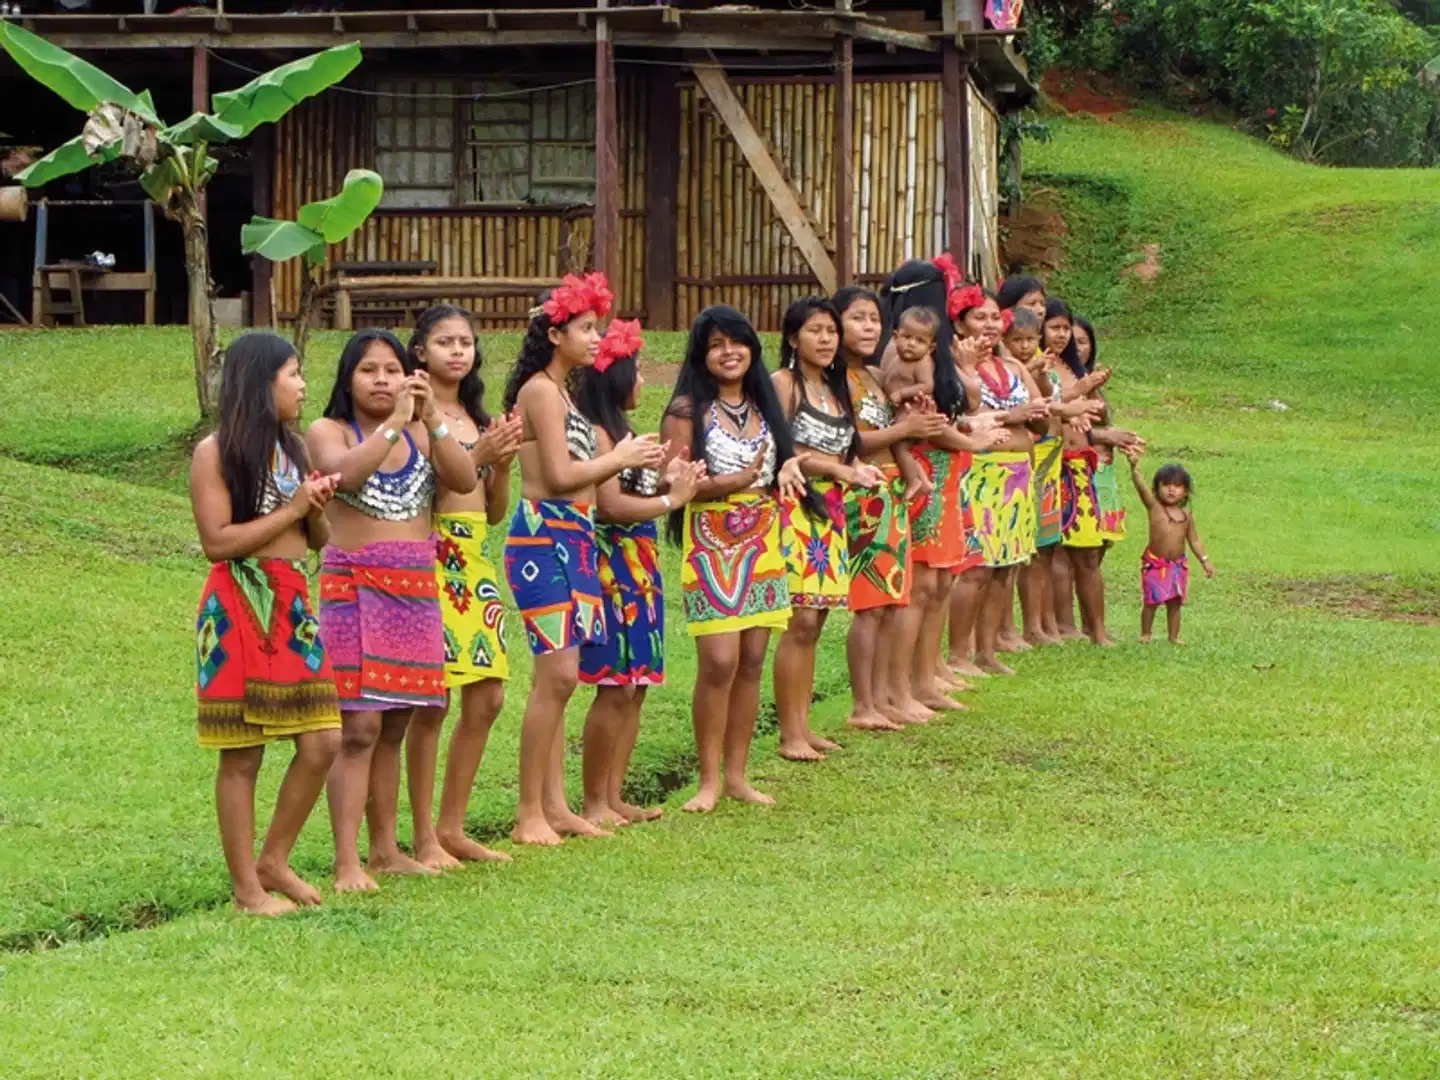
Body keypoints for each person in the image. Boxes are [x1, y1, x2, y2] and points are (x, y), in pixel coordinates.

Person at [308, 328, 479, 891]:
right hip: (352, 589)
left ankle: (386, 850)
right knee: (359, 726)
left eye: (391, 370)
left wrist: (430, 420)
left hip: (414, 591)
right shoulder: (327, 431)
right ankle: (346, 861)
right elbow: (346, 476)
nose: (382, 380)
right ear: (347, 378)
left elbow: (464, 478)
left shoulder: (421, 432)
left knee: (397, 723)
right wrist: (392, 422)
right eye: (368, 370)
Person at [501, 273, 666, 846]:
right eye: (586, 328)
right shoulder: (540, 392)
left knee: (564, 682)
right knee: (558, 675)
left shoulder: (564, 391)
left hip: (574, 537)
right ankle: (528, 812)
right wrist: (618, 457)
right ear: (554, 333)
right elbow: (559, 476)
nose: (596, 339)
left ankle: (556, 806)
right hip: (543, 535)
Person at [190, 331, 343, 915]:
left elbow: (313, 539)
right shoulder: (216, 452)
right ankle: (246, 889)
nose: (303, 385)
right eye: (293, 373)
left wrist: (316, 510)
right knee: (243, 751)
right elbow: (217, 542)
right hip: (237, 603)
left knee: (324, 737)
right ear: (261, 383)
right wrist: (294, 508)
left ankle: (273, 859)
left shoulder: (296, 448)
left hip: (292, 601)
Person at [661, 305, 808, 811]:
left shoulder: (767, 404)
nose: (729, 352)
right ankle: (707, 780)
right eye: (717, 344)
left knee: (750, 661)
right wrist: (735, 483)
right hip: (711, 542)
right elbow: (673, 484)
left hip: (764, 539)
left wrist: (787, 471)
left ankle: (738, 776)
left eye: (738, 342)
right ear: (702, 354)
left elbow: (786, 459)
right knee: (719, 661)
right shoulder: (685, 410)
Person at [404, 306, 525, 869]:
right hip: (432, 554)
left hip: (475, 558)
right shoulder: (413, 414)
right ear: (420, 352)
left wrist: (500, 466)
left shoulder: (477, 414)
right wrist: (479, 457)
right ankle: (424, 834)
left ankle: (452, 826)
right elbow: (416, 490)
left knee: (490, 694)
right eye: (444, 341)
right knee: (433, 701)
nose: (457, 350)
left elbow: (495, 511)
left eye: (466, 342)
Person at [574, 319, 706, 826]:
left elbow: (633, 495)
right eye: (637, 373)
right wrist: (673, 498)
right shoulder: (598, 432)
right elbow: (607, 505)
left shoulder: (622, 430)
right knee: (614, 682)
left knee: (637, 681)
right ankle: (593, 801)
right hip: (611, 566)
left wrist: (667, 481)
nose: (644, 383)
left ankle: (613, 795)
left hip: (640, 566)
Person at [878, 258, 1003, 703]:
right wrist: (972, 441)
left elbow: (953, 407)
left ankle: (925, 677)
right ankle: (905, 687)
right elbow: (923, 421)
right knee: (921, 585)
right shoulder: (901, 350)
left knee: (940, 581)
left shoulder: (928, 347)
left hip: (942, 472)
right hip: (922, 469)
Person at [772, 296, 885, 761]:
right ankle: (788, 733)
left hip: (831, 511)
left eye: (830, 332)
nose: (825, 339)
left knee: (816, 620)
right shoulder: (783, 383)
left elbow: (846, 449)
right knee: (799, 618)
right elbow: (781, 451)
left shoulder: (835, 387)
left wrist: (857, 468)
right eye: (815, 331)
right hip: (796, 506)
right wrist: (840, 472)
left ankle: (803, 725)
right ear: (793, 337)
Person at [834, 285, 946, 731]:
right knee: (868, 605)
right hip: (861, 494)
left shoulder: (874, 377)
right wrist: (909, 430)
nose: (869, 327)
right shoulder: (835, 379)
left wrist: (912, 469)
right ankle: (863, 705)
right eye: (857, 318)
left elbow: (892, 431)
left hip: (891, 492)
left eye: (873, 319)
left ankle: (882, 697)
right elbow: (849, 442)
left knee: (889, 602)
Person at [950, 285, 1049, 676]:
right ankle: (959, 651)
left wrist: (1037, 408)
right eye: (979, 317)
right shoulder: (955, 365)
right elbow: (959, 419)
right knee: (976, 567)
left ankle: (987, 651)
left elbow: (1040, 420)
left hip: (1018, 476)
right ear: (960, 322)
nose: (989, 324)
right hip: (980, 474)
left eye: (995, 317)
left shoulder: (1013, 367)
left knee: (1006, 565)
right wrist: (1014, 415)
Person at [1124, 447, 1214, 644]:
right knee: (1151, 601)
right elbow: (1140, 487)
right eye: (1165, 485)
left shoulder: (1186, 517)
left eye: (1177, 486)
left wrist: (1205, 560)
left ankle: (1173, 636)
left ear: (1185, 491)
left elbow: (1195, 540)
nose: (1171, 489)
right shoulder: (1155, 508)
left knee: (1175, 603)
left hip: (1177, 566)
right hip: (1156, 564)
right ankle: (1145, 633)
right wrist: (1135, 468)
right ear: (1156, 489)